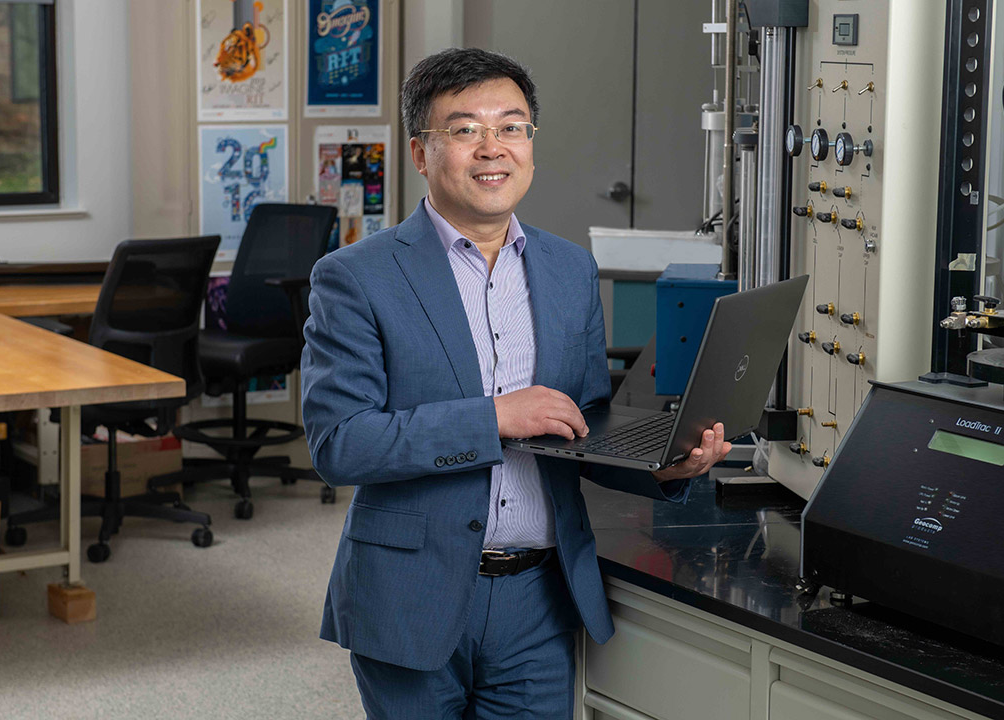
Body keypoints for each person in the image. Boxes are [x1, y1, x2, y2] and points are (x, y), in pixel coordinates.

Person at [301, 47, 732, 719]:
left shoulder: (568, 270)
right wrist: (493, 417)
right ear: (421, 152)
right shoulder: (355, 276)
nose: (492, 148)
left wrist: (668, 465)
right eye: (465, 128)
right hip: (412, 590)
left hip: (538, 597)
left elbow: (582, 423)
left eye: (512, 126)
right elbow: (339, 444)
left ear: (531, 145)